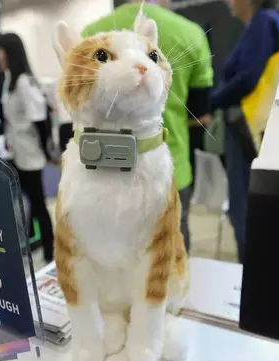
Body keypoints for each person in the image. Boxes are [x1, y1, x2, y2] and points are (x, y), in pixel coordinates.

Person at [82, 0, 214, 253]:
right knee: (170, 246)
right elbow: (200, 116)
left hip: (103, 167)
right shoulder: (191, 33)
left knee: (111, 247)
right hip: (169, 164)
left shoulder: (92, 34)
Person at [210, 0, 279, 263]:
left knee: (243, 208)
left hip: (247, 129)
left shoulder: (263, 22)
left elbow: (248, 77)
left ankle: (251, 276)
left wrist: (213, 100)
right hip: (250, 128)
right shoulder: (261, 24)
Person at [0, 33, 55, 262]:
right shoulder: (10, 80)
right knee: (28, 200)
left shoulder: (22, 82)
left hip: (31, 154)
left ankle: (49, 250)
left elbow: (39, 119)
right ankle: (32, 242)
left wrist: (47, 151)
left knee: (37, 203)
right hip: (18, 151)